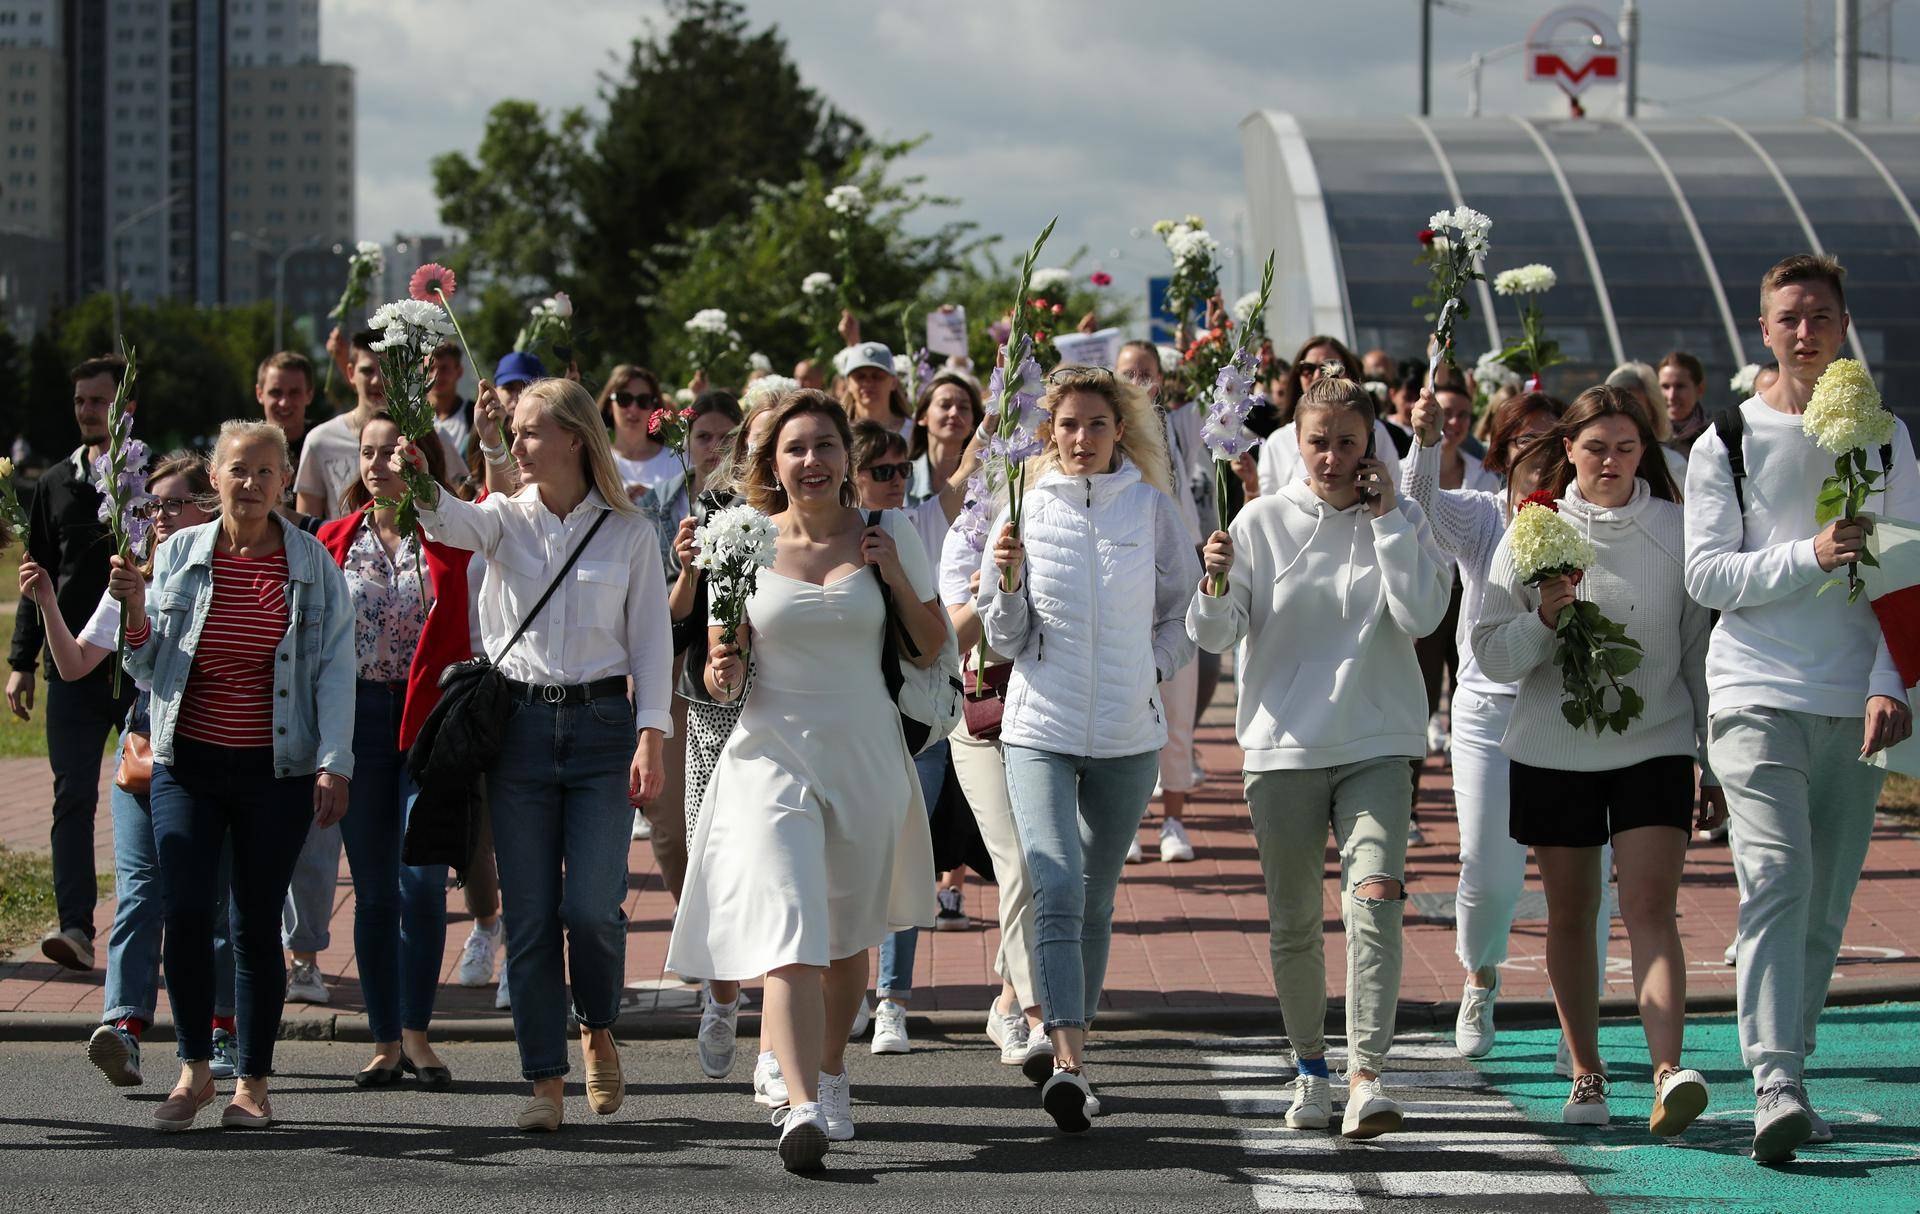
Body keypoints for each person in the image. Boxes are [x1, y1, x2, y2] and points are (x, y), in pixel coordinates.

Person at [667, 391, 943, 1171]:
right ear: (772, 462)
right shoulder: (740, 540)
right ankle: (798, 1106)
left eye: (825, 445)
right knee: (790, 927)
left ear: (847, 456)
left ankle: (828, 1071)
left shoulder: (888, 533)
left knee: (848, 939)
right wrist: (723, 670)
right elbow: (721, 668)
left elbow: (929, 646)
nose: (812, 460)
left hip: (864, 752)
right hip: (770, 755)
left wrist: (892, 577)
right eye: (795, 448)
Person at [1684, 253, 1918, 1164]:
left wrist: (1888, 680)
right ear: (1765, 329)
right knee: (1778, 876)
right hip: (1753, 690)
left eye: (1820, 315)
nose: (1806, 331)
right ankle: (1773, 1080)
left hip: (1854, 698)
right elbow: (1708, 576)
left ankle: (1795, 1065)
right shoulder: (1727, 438)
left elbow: (1909, 570)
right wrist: (1807, 554)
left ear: (1844, 324)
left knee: (1826, 899)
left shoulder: (1887, 437)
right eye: (1789, 317)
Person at [402, 377, 672, 1132]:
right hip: (516, 729)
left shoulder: (629, 531)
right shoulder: (501, 517)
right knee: (528, 918)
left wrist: (651, 734)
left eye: (528, 431)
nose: (515, 444)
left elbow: (651, 644)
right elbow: (447, 520)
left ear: (574, 439)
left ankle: (597, 1024)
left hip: (603, 728)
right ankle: (544, 1083)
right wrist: (418, 472)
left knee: (592, 910)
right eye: (514, 431)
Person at [1191, 370, 1451, 1140]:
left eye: (1347, 441)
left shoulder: (1402, 517)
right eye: (1318, 442)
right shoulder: (1259, 521)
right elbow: (1215, 635)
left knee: (1374, 902)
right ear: (1295, 444)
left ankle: (1368, 1075)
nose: (1332, 457)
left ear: (1372, 443)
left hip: (1380, 742)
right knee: (1296, 920)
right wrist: (1213, 582)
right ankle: (1310, 1068)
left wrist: (1390, 520)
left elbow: (1423, 613)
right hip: (1282, 749)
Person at [1474, 385, 1722, 1134]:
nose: (1609, 461)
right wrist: (1546, 621)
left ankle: (1668, 1071)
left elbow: (1697, 652)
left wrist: (1711, 758)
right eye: (1595, 447)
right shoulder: (1533, 529)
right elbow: (1492, 652)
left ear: (1645, 451)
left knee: (1650, 908)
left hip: (1656, 743)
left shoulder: (1676, 528)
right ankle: (1586, 1074)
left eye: (1625, 447)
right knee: (1572, 914)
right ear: (1569, 449)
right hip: (1553, 749)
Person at [978, 365, 1199, 1133]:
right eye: (1067, 424)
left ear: (1119, 430)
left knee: (1096, 897)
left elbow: (1183, 611)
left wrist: (1152, 668)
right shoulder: (1024, 508)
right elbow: (1003, 638)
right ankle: (1067, 1062)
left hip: (1128, 736)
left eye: (1096, 424)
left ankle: (1074, 1039)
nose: (1081, 438)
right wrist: (1007, 584)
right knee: (1056, 885)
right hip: (1039, 727)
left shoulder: (1151, 506)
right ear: (1049, 432)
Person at [125, 419, 355, 1131]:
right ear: (214, 478)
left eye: (264, 471)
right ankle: (194, 1069)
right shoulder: (180, 553)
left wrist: (334, 763)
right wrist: (133, 611)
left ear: (284, 480)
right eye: (237, 469)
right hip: (187, 764)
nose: (250, 483)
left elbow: (334, 670)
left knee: (255, 923)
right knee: (187, 912)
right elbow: (145, 664)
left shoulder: (312, 563)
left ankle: (252, 1083)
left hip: (276, 770)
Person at [1400, 389, 1615, 1065]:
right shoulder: (1484, 516)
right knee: (1490, 869)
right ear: (1499, 449)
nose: (1541, 452)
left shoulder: (1588, 516)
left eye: (1554, 439)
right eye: (1525, 440)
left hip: (1570, 709)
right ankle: (1479, 975)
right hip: (1489, 708)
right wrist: (1426, 441)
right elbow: (1419, 505)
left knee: (1587, 875)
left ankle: (1578, 1028)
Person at [21, 453, 239, 1087]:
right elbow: (74, 664)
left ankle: (223, 1028)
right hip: (145, 757)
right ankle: (124, 1028)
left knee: (214, 903)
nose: (159, 516)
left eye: (173, 503)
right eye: (150, 505)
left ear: (208, 507)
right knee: (140, 893)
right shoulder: (131, 582)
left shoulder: (227, 577)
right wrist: (45, 600)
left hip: (217, 755)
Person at [317, 416, 470, 1091]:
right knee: (376, 891)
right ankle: (383, 1041)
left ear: (420, 461)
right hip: (357, 723)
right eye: (368, 452)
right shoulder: (333, 540)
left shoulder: (448, 536)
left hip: (429, 724)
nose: (378, 463)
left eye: (393, 453)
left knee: (424, 883)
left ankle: (417, 1034)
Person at [661, 389, 783, 1091]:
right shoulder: (713, 511)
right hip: (716, 708)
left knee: (782, 864)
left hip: (790, 704)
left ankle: (780, 1034)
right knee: (717, 859)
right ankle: (723, 996)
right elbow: (675, 623)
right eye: (758, 441)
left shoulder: (813, 515)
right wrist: (688, 569)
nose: (767, 453)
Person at [9, 354, 140, 971]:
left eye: (99, 400)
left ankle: (156, 922)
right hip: (71, 665)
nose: (88, 411)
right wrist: (22, 661)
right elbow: (35, 573)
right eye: (81, 400)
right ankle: (75, 929)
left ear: (126, 407)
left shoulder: (148, 477)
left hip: (139, 664)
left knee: (152, 790)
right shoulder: (55, 482)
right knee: (72, 796)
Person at [846, 419, 961, 1053]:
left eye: (902, 470)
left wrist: (892, 573)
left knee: (901, 860)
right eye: (881, 470)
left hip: (912, 725)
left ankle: (892, 999)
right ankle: (850, 989)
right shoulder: (821, 537)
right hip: (847, 725)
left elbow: (930, 644)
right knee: (847, 861)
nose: (896, 480)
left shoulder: (901, 531)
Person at [938, 500, 1045, 1074]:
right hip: (982, 715)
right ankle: (1037, 1017)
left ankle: (1005, 1001)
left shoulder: (1057, 513)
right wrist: (990, 595)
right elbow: (946, 640)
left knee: (1046, 866)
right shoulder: (969, 528)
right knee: (1018, 864)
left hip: (1049, 714)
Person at [635, 391, 745, 882]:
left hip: (738, 667)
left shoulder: (762, 502)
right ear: (686, 441)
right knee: (670, 817)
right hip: (673, 664)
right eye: (703, 436)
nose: (715, 447)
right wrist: (689, 572)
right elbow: (655, 613)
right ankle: (688, 912)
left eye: (727, 437)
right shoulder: (657, 506)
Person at [1116, 339, 1205, 864]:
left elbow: (1221, 400)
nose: (1138, 382)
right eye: (1128, 373)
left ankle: (1174, 820)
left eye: (1146, 372)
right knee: (1126, 711)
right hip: (1124, 583)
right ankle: (1129, 822)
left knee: (1176, 709)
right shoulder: (1107, 433)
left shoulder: (1180, 426)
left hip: (1176, 578)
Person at [296, 331, 464, 521]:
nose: (377, 380)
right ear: (351, 373)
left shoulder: (429, 434)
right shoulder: (320, 440)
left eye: (387, 370)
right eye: (367, 371)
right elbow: (307, 525)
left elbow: (460, 499)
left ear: (401, 374)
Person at [1257, 337, 1404, 497]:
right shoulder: (1277, 441)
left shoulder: (1377, 431)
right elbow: (1267, 502)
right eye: (1307, 368)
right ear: (1298, 438)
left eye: (1347, 442)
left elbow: (1394, 491)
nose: (1317, 375)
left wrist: (1381, 508)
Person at [599, 365, 681, 500]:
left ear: (654, 408)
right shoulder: (596, 461)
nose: (633, 409)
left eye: (644, 400)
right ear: (610, 405)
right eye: (624, 399)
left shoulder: (677, 462)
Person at [1605, 362, 1689, 488]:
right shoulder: (1593, 461)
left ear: (1653, 413)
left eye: (1635, 410)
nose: (1624, 419)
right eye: (1615, 410)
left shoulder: (1674, 466)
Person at [837, 341, 913, 435]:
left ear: (893, 382)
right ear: (848, 384)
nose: (868, 383)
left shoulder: (913, 432)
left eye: (877, 376)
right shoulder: (838, 432)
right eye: (860, 377)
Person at [255, 352, 316, 468]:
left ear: (309, 395)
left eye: (294, 393)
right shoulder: (246, 449)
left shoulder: (326, 445)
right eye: (276, 393)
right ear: (260, 394)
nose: (284, 403)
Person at [1657, 350, 1710, 454]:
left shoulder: (1713, 436)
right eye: (1665, 387)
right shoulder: (1646, 435)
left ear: (1700, 389)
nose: (1671, 396)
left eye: (1680, 386)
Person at [427, 341, 472, 458]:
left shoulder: (473, 416)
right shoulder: (411, 414)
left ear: (459, 372)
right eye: (430, 369)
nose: (436, 376)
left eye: (444, 368)